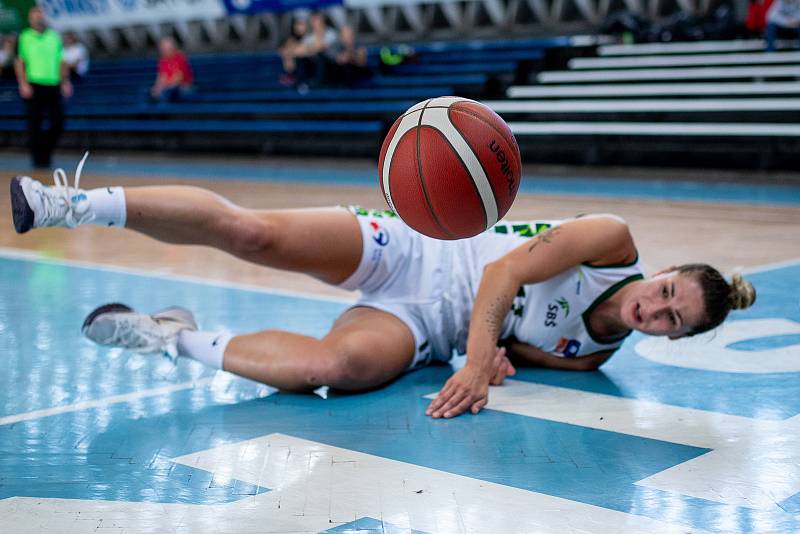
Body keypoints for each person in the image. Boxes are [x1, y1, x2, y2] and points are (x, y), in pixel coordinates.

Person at [9, 159, 756, 419]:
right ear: (659, 272)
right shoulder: (612, 239)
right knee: (256, 234)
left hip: (424, 330)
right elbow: (502, 274)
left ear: (672, 339)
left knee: (328, 372)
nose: (653, 310)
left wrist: (492, 359)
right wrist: (479, 357)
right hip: (420, 245)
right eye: (666, 293)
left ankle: (170, 334)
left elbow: (513, 348)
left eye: (669, 322)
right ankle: (72, 203)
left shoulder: (592, 359)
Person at [14, 7, 72, 168]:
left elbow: (62, 61)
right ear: (30, 19)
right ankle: (38, 159)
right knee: (34, 123)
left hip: (53, 84)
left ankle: (45, 151)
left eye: (40, 15)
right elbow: (20, 61)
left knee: (58, 122)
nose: (38, 18)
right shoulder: (24, 36)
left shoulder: (54, 36)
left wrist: (65, 81)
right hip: (34, 85)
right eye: (35, 16)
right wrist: (23, 83)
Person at [150, 36, 194, 103]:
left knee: (166, 92)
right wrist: (157, 87)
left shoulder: (180, 57)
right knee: (148, 92)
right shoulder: (163, 60)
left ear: (172, 47)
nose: (164, 50)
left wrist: (162, 87)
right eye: (162, 48)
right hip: (171, 87)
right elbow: (162, 76)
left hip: (183, 86)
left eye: (166, 48)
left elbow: (178, 78)